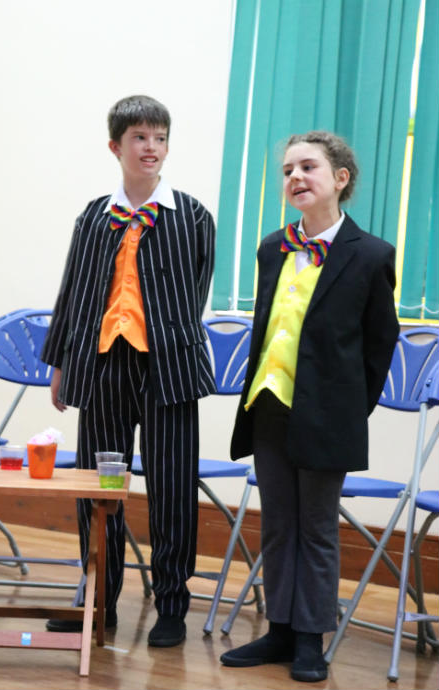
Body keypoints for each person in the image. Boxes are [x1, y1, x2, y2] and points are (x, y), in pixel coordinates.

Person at [220, 131, 399, 682]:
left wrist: (348, 410)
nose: (295, 177)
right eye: (288, 170)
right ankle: (278, 628)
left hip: (327, 415)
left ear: (340, 179)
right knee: (278, 523)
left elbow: (379, 343)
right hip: (269, 403)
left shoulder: (371, 255)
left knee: (316, 527)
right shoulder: (273, 247)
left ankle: (309, 638)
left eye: (308, 167)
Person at [41, 95, 216, 647]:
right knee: (100, 488)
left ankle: (171, 604)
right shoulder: (94, 216)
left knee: (170, 488)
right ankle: (99, 599)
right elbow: (72, 292)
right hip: (101, 368)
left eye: (160, 138)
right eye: (140, 137)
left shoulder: (192, 216)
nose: (151, 147)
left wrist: (166, 339)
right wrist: (61, 364)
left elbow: (194, 293)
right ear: (116, 146)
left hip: (168, 370)